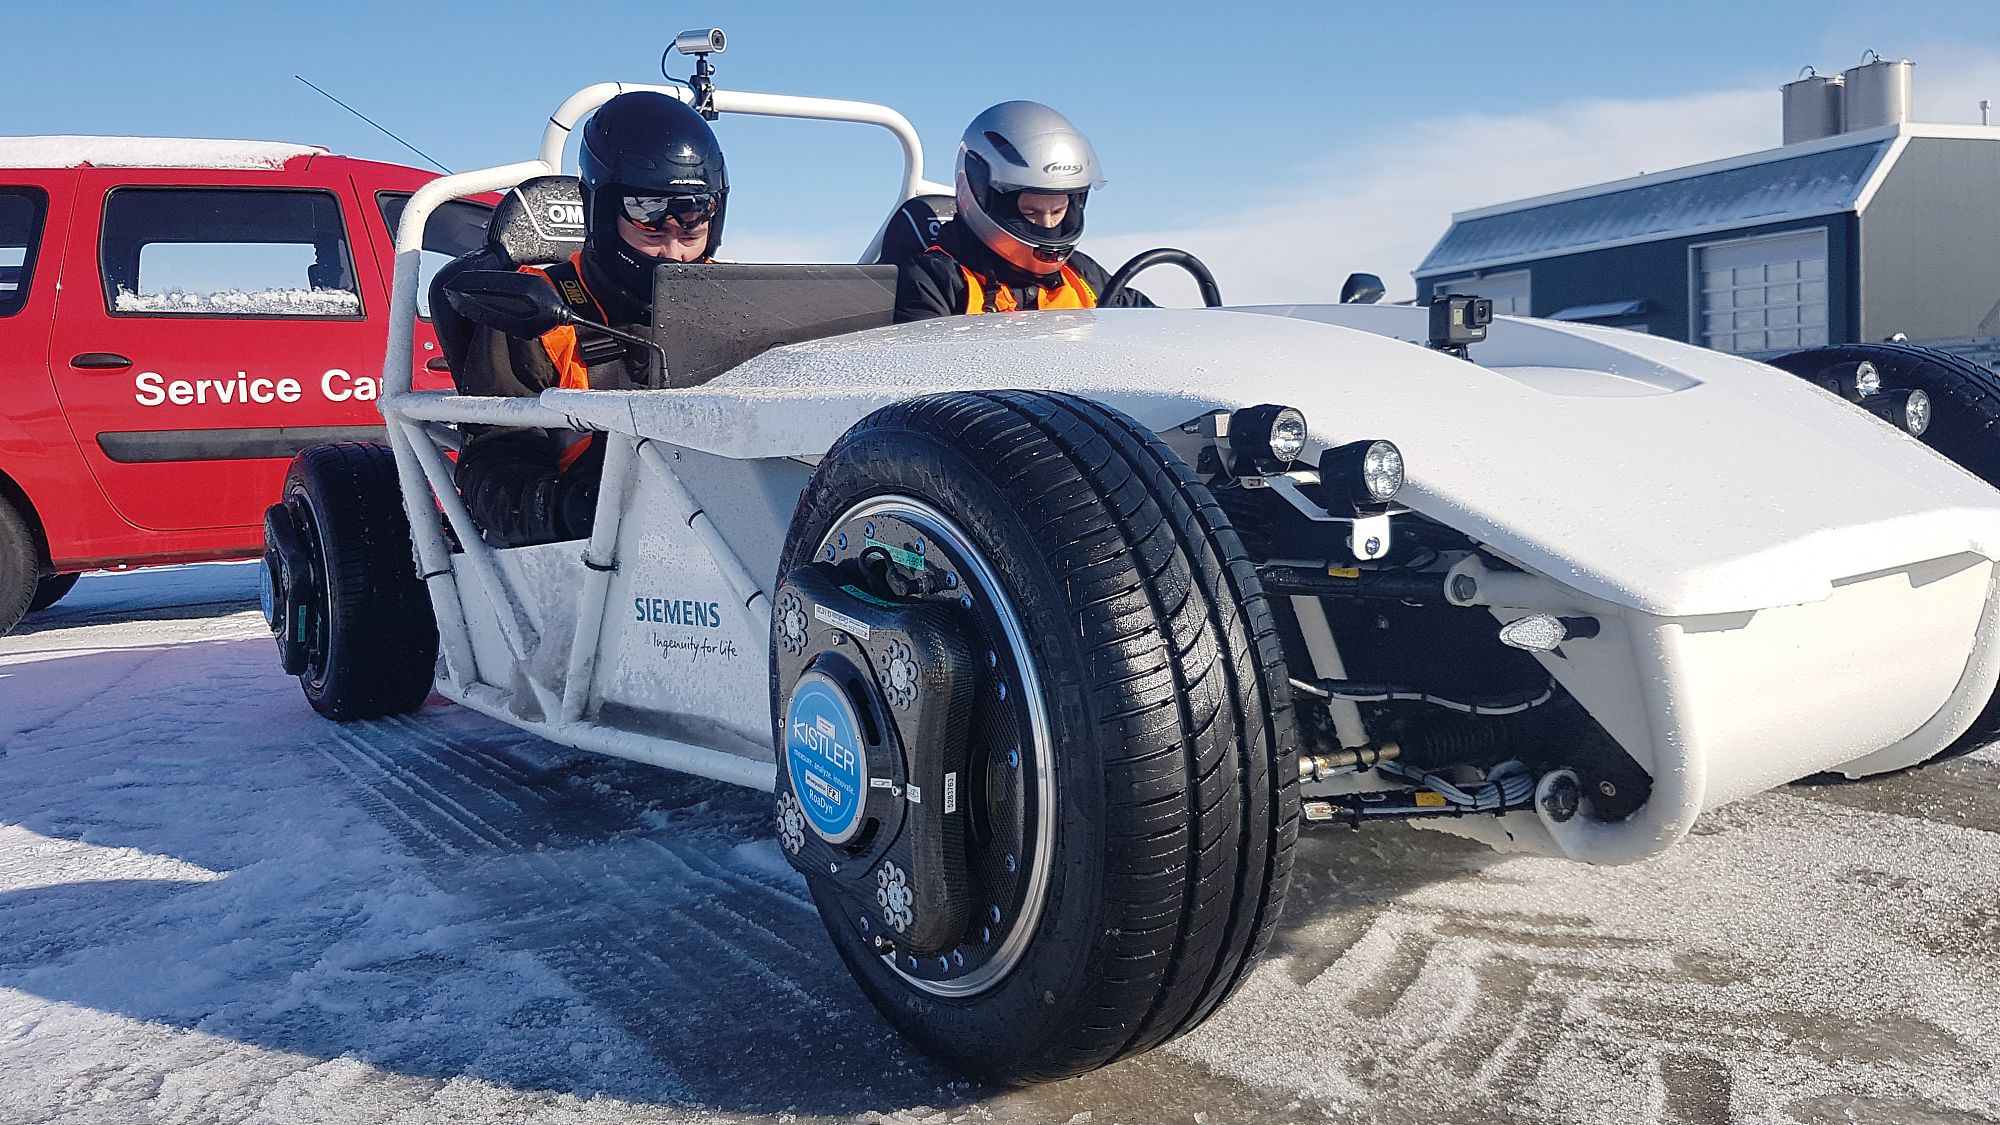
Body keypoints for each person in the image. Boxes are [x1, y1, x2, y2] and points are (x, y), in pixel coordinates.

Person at [450, 91, 726, 546]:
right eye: (649, 223)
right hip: (593, 559)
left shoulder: (733, 303)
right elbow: (493, 471)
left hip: (724, 527)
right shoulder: (536, 315)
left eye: (691, 229)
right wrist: (574, 507)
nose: (674, 253)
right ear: (600, 211)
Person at [895, 101, 1150, 322]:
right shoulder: (939, 278)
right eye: (1030, 212)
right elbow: (924, 367)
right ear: (985, 198)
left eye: (1059, 211)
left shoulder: (1081, 273)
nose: (1047, 225)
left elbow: (1153, 324)